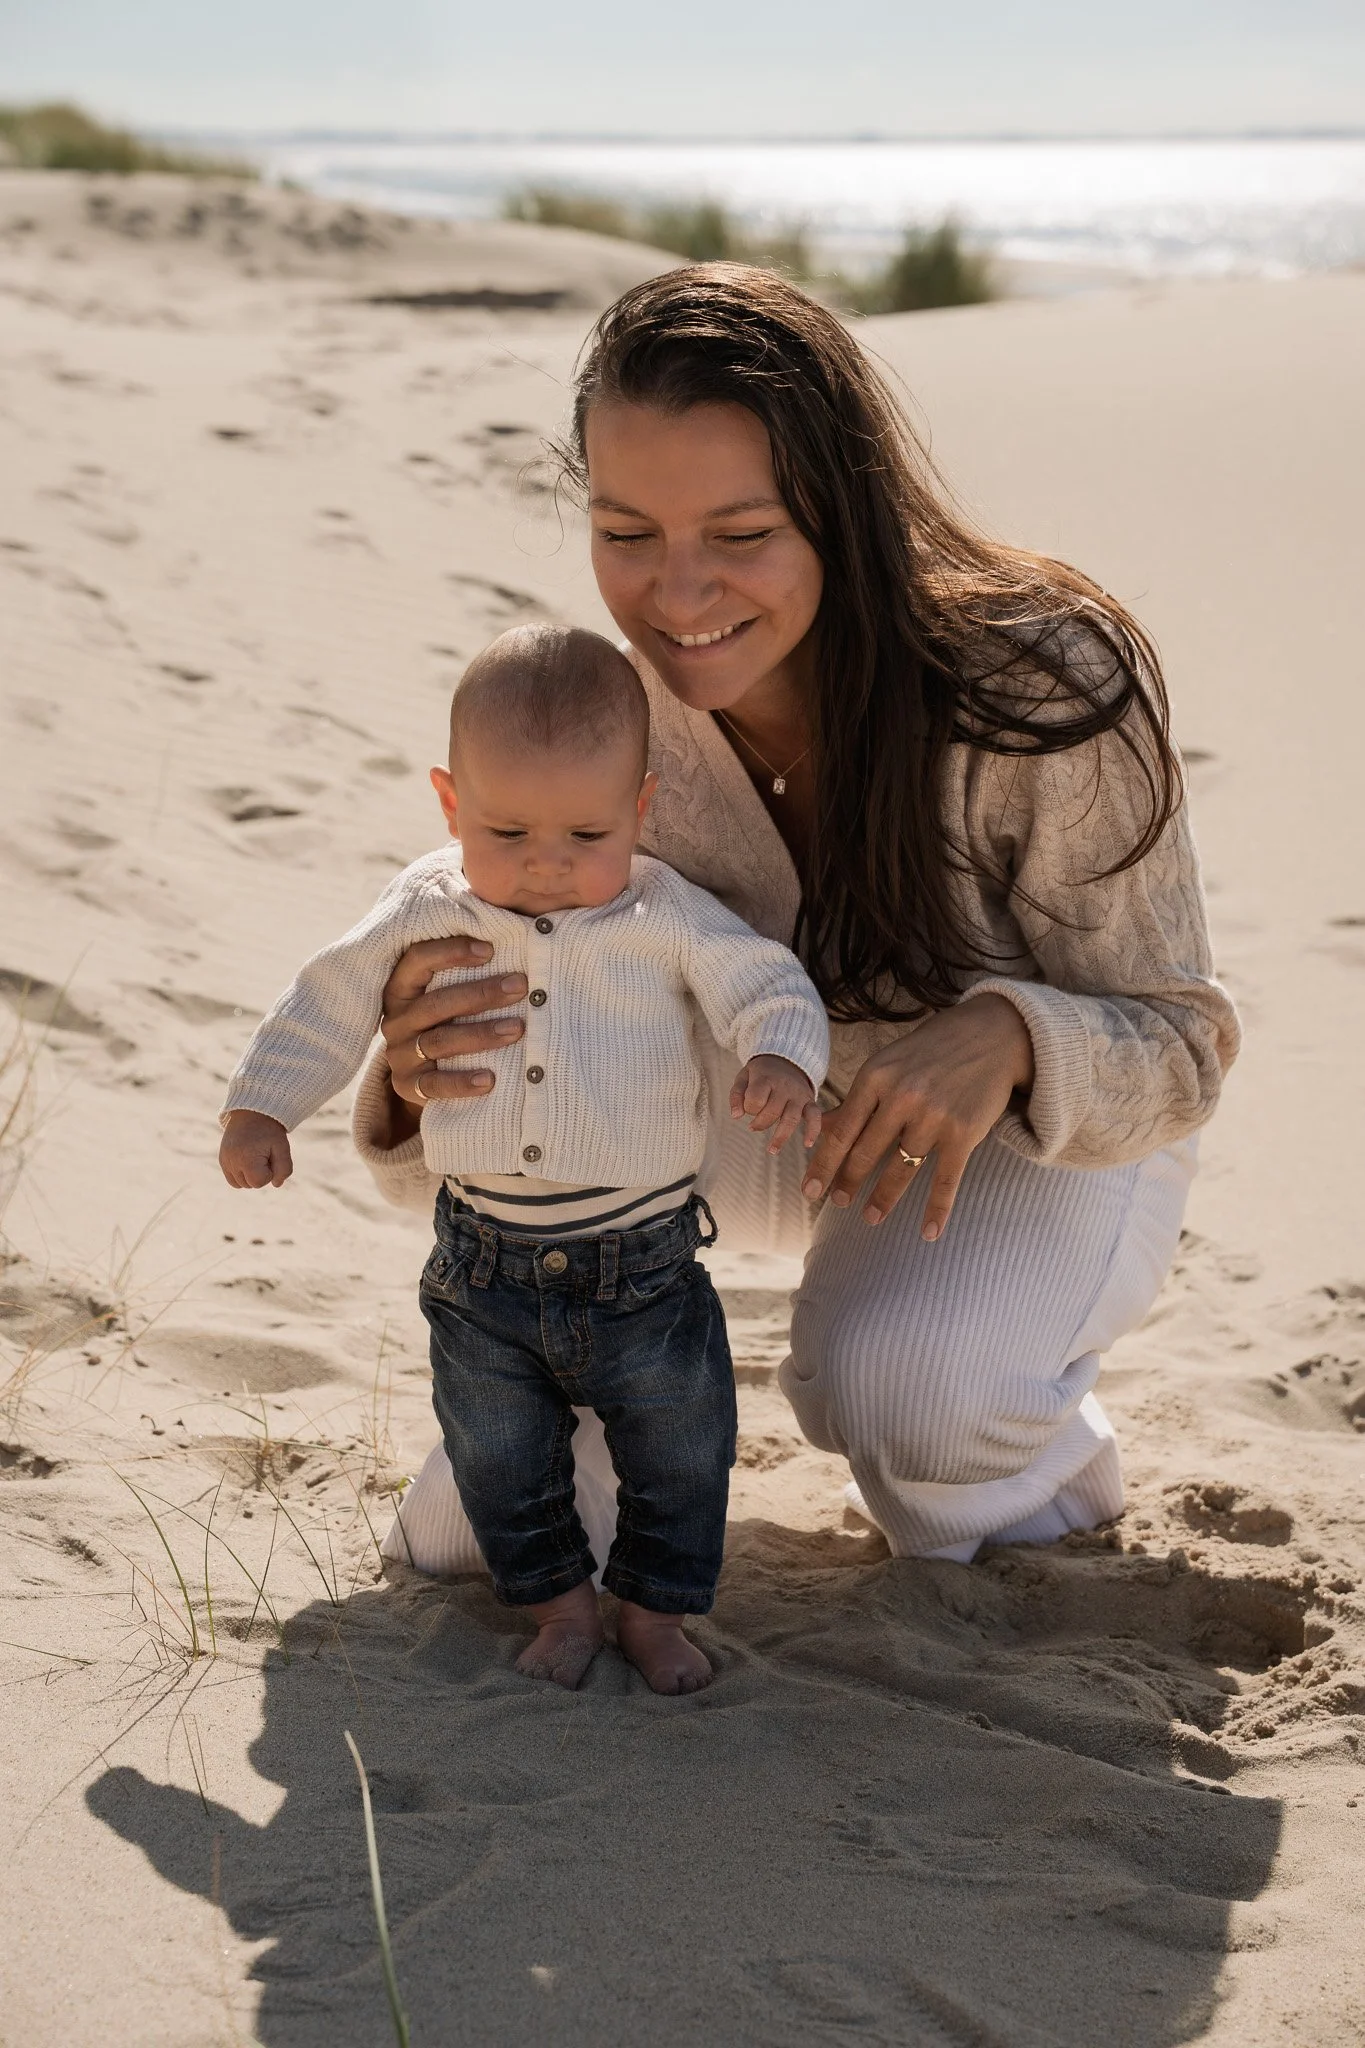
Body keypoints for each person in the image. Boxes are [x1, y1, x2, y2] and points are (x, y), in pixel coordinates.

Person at [357, 263, 1240, 1575]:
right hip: (751, 1122)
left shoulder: (1038, 680)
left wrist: (1004, 1036)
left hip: (1018, 1140)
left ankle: (1037, 1466)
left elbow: (1177, 1045)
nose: (677, 592)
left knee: (902, 1396)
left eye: (741, 532)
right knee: (466, 1542)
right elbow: (470, 1144)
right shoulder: (603, 726)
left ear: (843, 507)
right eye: (626, 530)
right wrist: (416, 1082)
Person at [218, 624, 828, 1692]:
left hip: (643, 1266)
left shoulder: (662, 911)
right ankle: (559, 1607)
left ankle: (655, 1607)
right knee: (500, 1456)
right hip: (482, 1267)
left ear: (640, 809)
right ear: (451, 805)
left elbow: (764, 981)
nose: (547, 861)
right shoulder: (426, 902)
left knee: (683, 1449)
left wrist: (782, 1053)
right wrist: (263, 1107)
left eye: (586, 831)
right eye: (507, 830)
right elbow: (330, 998)